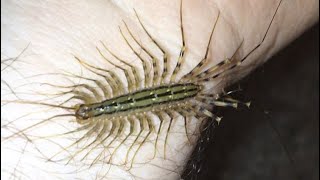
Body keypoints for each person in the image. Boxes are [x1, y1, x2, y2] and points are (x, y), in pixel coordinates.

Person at [1, 0, 318, 179]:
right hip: (171, 93)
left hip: (173, 90)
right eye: (83, 111)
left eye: (81, 108)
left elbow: (113, 88)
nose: (83, 110)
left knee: (176, 66)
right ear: (88, 107)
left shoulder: (94, 99)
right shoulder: (100, 98)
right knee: (213, 96)